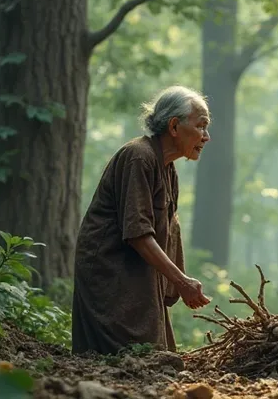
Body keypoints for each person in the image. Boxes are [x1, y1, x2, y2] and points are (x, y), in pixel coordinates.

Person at [71, 85, 212, 355]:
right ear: (173, 126)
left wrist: (173, 286)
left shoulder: (168, 169)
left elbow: (170, 228)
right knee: (131, 357)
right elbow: (138, 233)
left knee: (157, 355)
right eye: (201, 126)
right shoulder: (138, 156)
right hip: (110, 272)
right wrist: (181, 281)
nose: (206, 137)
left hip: (140, 276)